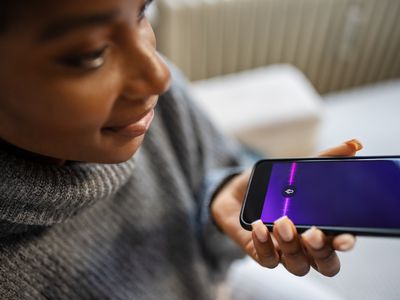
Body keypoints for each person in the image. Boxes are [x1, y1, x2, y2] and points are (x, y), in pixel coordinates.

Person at [0, 0, 360, 299]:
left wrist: (218, 206)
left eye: (142, 12)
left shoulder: (153, 105)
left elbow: (210, 189)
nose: (160, 75)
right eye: (91, 54)